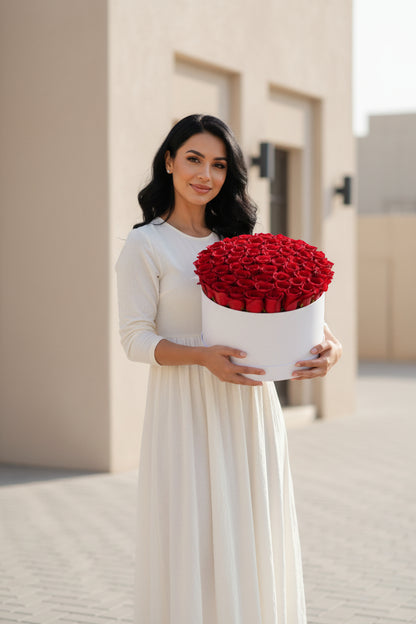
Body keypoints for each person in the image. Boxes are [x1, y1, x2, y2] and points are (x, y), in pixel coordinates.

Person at [115, 114, 342, 624]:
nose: (206, 174)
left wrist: (331, 349)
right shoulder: (145, 245)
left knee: (253, 534)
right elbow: (135, 340)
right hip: (185, 407)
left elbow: (297, 316)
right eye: (193, 159)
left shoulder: (238, 240)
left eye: (219, 164)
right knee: (194, 539)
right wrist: (201, 357)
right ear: (169, 161)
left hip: (249, 407)